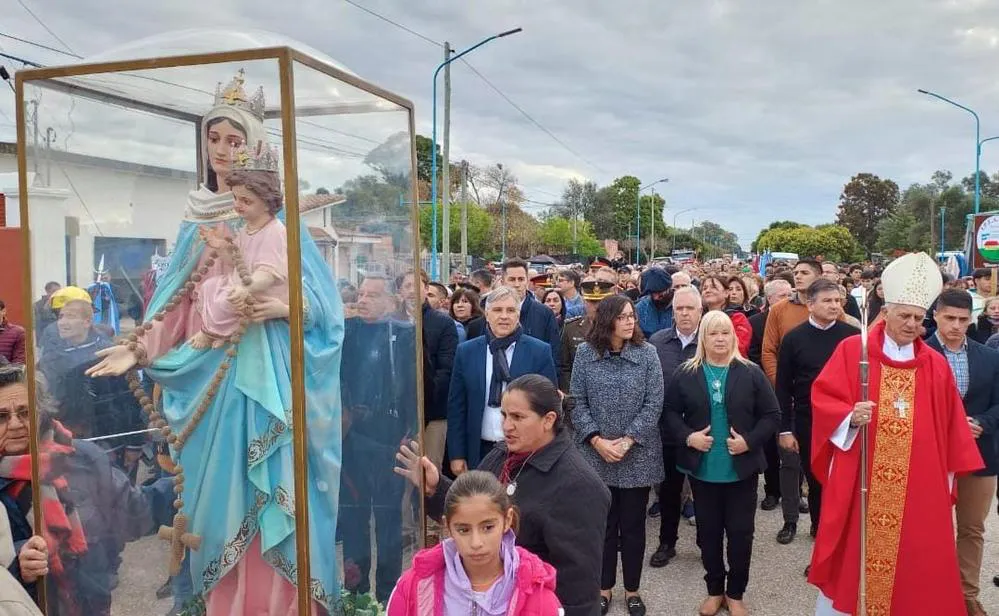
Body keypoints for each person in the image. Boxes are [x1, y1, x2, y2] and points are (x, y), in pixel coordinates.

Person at [85, 70, 344, 614]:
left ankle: (277, 602)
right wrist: (135, 348)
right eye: (214, 137)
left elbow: (323, 309)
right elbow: (176, 306)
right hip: (209, 382)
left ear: (254, 147)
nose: (223, 151)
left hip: (264, 379)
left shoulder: (272, 220)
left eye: (235, 140)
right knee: (214, 505)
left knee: (267, 488)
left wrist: (282, 309)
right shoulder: (196, 220)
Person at [809, 252, 984, 616]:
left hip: (921, 487)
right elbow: (824, 400)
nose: (911, 324)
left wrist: (946, 473)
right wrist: (849, 417)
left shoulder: (934, 365)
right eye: (904, 315)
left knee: (919, 561)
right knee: (859, 555)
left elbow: (951, 424)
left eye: (918, 318)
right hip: (864, 479)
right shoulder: (852, 352)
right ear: (884, 313)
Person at [397, 374, 610, 616]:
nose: (506, 426)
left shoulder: (579, 486)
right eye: (504, 415)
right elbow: (474, 511)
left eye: (518, 417)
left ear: (548, 420)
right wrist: (436, 488)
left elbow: (579, 592)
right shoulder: (503, 455)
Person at [0, 363, 161, 615]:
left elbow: (134, 511)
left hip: (88, 605)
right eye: (2, 417)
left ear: (41, 411)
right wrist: (18, 564)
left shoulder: (82, 458)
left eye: (25, 412)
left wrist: (192, 491)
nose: (16, 424)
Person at [663, 311, 779, 616]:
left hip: (740, 470)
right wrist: (688, 437)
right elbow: (670, 414)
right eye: (713, 333)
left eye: (725, 333)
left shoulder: (750, 372)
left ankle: (735, 592)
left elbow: (772, 415)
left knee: (741, 533)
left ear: (734, 337)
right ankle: (714, 590)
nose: (719, 339)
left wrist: (749, 441)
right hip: (704, 470)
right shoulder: (686, 373)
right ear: (703, 337)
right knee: (709, 533)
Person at [571, 296, 664, 616]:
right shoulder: (585, 354)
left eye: (632, 317)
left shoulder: (648, 354)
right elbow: (577, 402)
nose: (630, 322)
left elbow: (654, 403)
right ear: (608, 319)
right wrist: (597, 440)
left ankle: (633, 590)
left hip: (636, 454)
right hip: (596, 455)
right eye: (623, 317)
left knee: (634, 527)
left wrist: (627, 440)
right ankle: (603, 588)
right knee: (604, 527)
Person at [386, 470, 562, 615]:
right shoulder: (414, 587)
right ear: (448, 527)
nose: (476, 543)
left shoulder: (538, 595)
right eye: (464, 530)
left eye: (487, 527)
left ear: (507, 520)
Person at [341, 273, 418, 603]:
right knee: (354, 520)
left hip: (390, 441)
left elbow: (416, 388)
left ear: (390, 301)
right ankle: (356, 595)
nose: (362, 300)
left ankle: (389, 597)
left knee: (387, 524)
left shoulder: (404, 336)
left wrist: (411, 433)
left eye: (372, 295)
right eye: (360, 293)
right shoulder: (346, 332)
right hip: (351, 441)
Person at [925, 289, 999, 616]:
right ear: (936, 316)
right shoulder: (918, 354)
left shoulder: (990, 356)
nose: (956, 325)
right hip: (932, 458)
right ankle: (934, 595)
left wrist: (982, 422)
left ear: (971, 319)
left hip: (980, 456)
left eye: (963, 320)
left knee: (971, 529)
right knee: (931, 530)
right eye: (950, 318)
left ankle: (967, 597)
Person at [773, 279, 857, 547]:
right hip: (809, 422)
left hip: (846, 422)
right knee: (817, 481)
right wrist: (785, 429)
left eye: (838, 300)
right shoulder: (794, 339)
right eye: (828, 301)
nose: (835, 305)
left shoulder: (851, 337)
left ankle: (840, 538)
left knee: (843, 483)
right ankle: (820, 534)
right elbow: (784, 388)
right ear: (811, 304)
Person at [448, 287, 557, 473]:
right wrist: (457, 454)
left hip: (526, 453)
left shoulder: (539, 352)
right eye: (498, 310)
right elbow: (457, 407)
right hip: (479, 450)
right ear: (487, 314)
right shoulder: (466, 352)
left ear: (518, 315)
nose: (504, 316)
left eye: (510, 310)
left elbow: (549, 407)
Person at [190, 142, 288, 350]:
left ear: (267, 201)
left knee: (227, 300)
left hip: (264, 289)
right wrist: (219, 246)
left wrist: (245, 288)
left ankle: (214, 332)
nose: (237, 205)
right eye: (235, 198)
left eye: (246, 201)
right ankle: (217, 332)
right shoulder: (247, 228)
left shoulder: (274, 231)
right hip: (242, 281)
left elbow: (268, 273)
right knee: (209, 287)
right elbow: (236, 261)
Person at [647, 286, 703, 568]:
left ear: (700, 311)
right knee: (668, 492)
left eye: (690, 308)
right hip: (666, 431)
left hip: (702, 433)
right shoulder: (657, 342)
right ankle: (667, 543)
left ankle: (707, 544)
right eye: (679, 309)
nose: (684, 313)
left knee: (704, 492)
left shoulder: (710, 340)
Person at [400, 270, 458, 472]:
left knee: (428, 473)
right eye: (406, 286)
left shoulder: (443, 323)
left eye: (416, 285)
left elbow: (446, 370)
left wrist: (424, 400)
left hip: (432, 414)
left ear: (426, 289)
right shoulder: (392, 322)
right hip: (398, 415)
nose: (411, 291)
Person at [501, 259, 561, 364]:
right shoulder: (490, 312)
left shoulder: (544, 314)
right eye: (511, 279)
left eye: (521, 279)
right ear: (502, 282)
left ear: (527, 281)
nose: (516, 284)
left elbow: (554, 355)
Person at [699, 276, 751, 356]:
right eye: (705, 288)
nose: (708, 290)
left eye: (713, 287)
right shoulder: (698, 318)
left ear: (726, 293)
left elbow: (740, 347)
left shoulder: (738, 318)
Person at [635, 268, 674, 338]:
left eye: (659, 293)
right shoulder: (640, 309)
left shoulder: (681, 307)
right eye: (652, 293)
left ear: (669, 288)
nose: (656, 297)